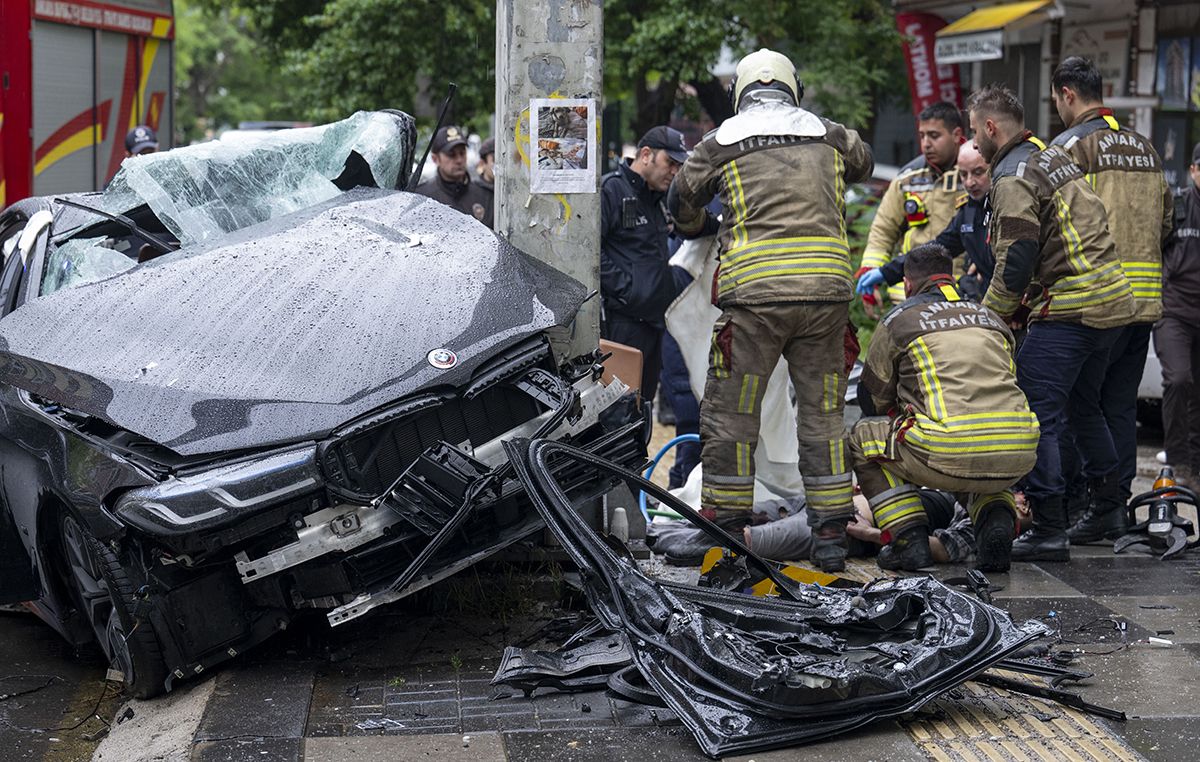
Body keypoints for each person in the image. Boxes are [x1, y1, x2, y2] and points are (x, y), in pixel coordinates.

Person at [668, 48, 873, 572]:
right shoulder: (828, 134)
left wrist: (697, 230)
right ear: (794, 88)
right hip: (825, 296)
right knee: (823, 416)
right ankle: (830, 536)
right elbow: (864, 162)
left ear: (739, 92)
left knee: (734, 417)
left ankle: (730, 532)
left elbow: (682, 202)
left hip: (754, 298)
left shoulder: (721, 142)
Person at [970, 84, 1135, 562]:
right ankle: (1109, 508)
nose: (975, 142)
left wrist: (989, 317)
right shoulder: (1048, 155)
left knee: (1034, 409)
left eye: (975, 132)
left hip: (1072, 307)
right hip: (1111, 303)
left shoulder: (1013, 174)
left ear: (990, 127)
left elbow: (1017, 253)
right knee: (1085, 407)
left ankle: (1049, 527)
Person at [847, 243, 1039, 571]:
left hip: (950, 447)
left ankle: (908, 539)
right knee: (982, 441)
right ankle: (995, 521)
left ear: (907, 284)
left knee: (864, 435)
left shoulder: (900, 320)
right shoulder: (990, 318)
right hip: (1019, 447)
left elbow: (873, 399)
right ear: (951, 277)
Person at [1048, 56, 1174, 543]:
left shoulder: (1073, 146)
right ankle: (1116, 505)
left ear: (1065, 94)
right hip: (1144, 301)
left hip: (1097, 300)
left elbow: (1056, 224)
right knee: (1118, 406)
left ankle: (1091, 502)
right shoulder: (1146, 148)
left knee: (1081, 406)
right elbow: (1165, 224)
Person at [599, 125, 695, 407]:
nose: (675, 171)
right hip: (624, 323)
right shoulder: (612, 190)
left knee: (644, 407)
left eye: (679, 165)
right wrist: (627, 289)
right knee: (620, 409)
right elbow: (592, 251)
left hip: (654, 322)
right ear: (645, 155)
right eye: (670, 162)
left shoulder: (659, 199)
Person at [858, 101, 964, 310]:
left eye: (934, 136)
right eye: (922, 135)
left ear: (957, 134)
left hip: (962, 292)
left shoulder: (975, 174)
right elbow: (882, 231)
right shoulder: (908, 178)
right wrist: (871, 271)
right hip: (910, 295)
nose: (925, 143)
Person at [858, 141, 993, 301]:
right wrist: (885, 272)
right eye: (963, 175)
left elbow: (1016, 262)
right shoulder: (969, 212)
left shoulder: (1003, 205)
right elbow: (936, 251)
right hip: (991, 303)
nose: (970, 182)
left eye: (978, 172)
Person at [1156, 143, 1200, 486]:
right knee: (1179, 379)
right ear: (1194, 170)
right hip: (1174, 312)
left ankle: (1194, 465)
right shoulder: (1180, 206)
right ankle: (1179, 461)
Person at [414, 126, 493, 228]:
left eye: (462, 153)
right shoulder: (422, 198)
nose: (459, 160)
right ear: (435, 159)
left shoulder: (485, 196)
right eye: (451, 155)